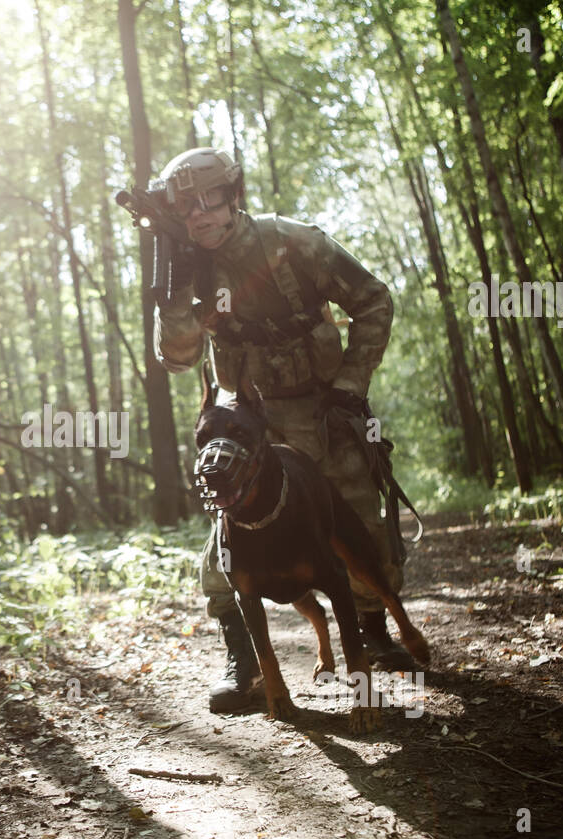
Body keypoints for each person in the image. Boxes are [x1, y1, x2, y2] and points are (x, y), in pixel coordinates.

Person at [151, 146, 417, 714]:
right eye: (186, 207)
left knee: (361, 530)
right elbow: (177, 357)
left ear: (232, 195)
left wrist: (350, 383)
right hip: (247, 424)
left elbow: (374, 300)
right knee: (230, 542)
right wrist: (172, 289)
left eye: (209, 200)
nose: (199, 215)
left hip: (324, 409)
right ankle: (244, 665)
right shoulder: (187, 268)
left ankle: (372, 631)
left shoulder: (295, 242)